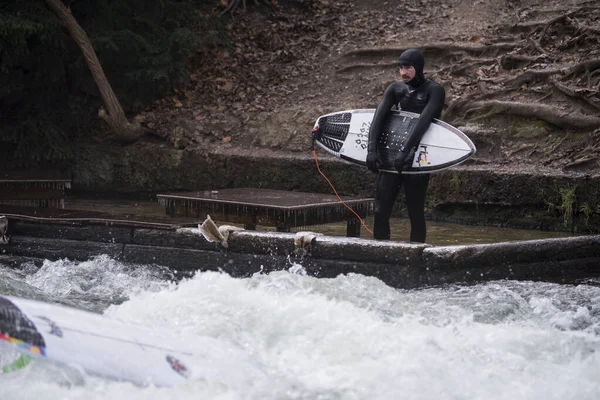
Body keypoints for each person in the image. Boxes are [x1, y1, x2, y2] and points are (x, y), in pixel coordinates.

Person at [366, 48, 445, 243]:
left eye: (408, 68)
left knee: (415, 211)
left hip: (418, 158)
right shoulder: (395, 89)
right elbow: (379, 117)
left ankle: (416, 258)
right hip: (392, 156)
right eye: (401, 67)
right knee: (380, 209)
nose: (403, 72)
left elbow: (423, 122)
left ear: (418, 68)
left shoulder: (434, 91)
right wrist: (371, 149)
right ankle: (380, 251)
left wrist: (406, 150)